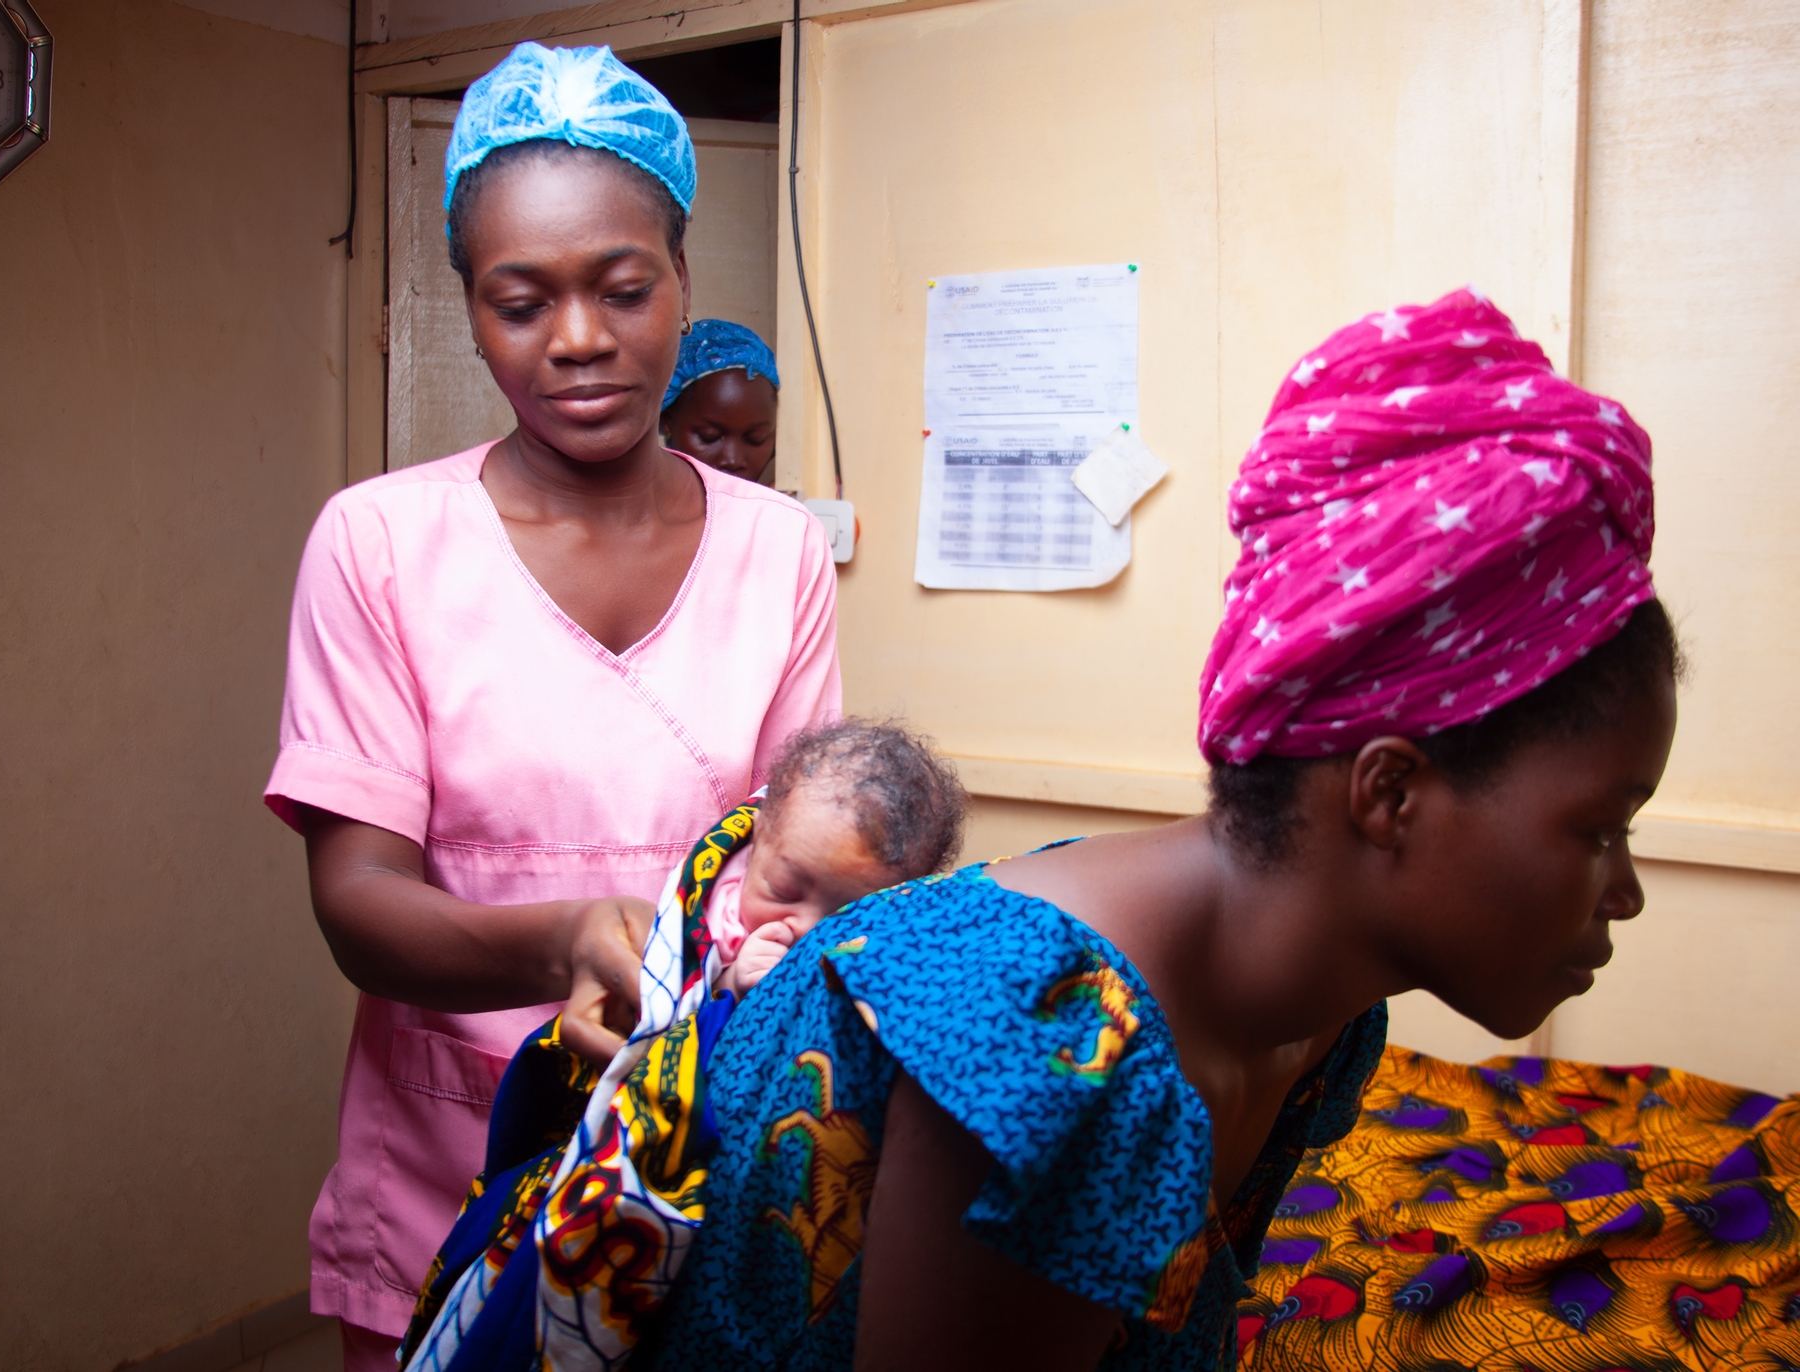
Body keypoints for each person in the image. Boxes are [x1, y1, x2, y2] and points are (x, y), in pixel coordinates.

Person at [636, 287, 1679, 1371]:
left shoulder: (1324, 1015)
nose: (1626, 890)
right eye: (1602, 828)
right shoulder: (1054, 1046)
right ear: (1390, 795)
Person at [263, 43, 841, 1371]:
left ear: (682, 280)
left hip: (691, 1172)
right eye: (520, 302)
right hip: (443, 1183)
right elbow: (357, 899)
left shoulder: (779, 551)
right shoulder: (381, 546)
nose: (577, 340)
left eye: (623, 288)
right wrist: (565, 944)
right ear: (468, 305)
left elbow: (803, 863)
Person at [705, 719, 968, 998]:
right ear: (756, 841)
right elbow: (677, 1014)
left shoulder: (904, 942)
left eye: (851, 914)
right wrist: (729, 983)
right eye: (785, 891)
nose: (807, 929)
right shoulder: (715, 912)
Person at [658, 318, 779, 484]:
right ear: (667, 420)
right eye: (709, 436)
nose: (732, 460)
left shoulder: (779, 509)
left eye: (756, 438)